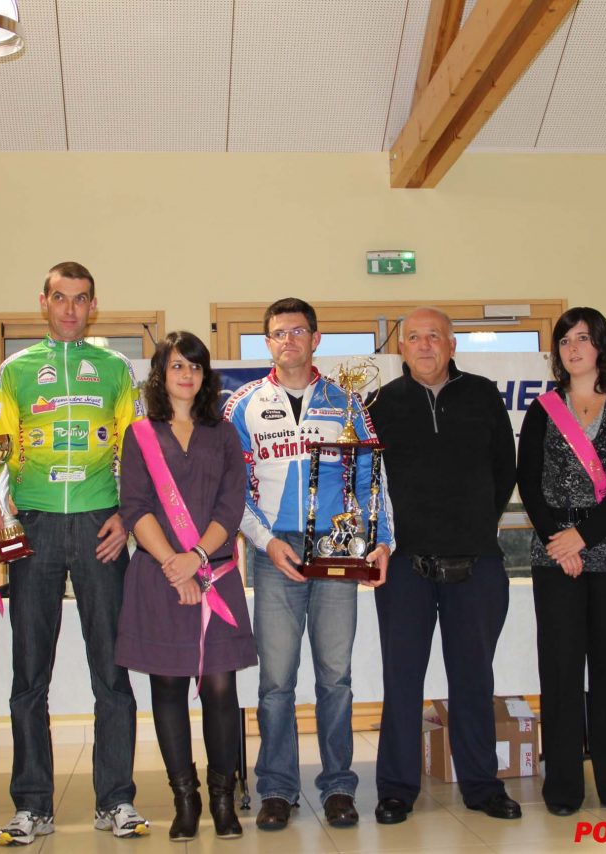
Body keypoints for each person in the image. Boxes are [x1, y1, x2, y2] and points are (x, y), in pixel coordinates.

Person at [0, 261, 147, 844]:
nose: (70, 309)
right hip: (33, 525)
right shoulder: (15, 370)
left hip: (99, 527)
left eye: (81, 299)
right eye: (61, 297)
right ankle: (33, 804)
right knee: (30, 672)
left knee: (112, 669)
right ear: (44, 301)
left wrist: (125, 517)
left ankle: (117, 800)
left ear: (93, 306)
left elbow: (137, 453)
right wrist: (9, 522)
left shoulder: (116, 369)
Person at [223, 297, 393, 830]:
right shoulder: (242, 405)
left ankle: (339, 786)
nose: (289, 340)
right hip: (275, 552)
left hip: (338, 549)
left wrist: (381, 539)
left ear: (316, 339)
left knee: (336, 677)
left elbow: (371, 480)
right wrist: (267, 542)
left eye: (298, 331)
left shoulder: (347, 404)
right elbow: (233, 492)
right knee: (275, 679)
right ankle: (276, 788)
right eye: (278, 333)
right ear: (267, 342)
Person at [367, 307, 520, 825]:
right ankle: (396, 788)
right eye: (414, 337)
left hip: (476, 563)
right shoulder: (381, 404)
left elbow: (505, 469)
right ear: (401, 349)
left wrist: (475, 525)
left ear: (452, 344)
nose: (425, 345)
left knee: (473, 678)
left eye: (435, 336)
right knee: (402, 680)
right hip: (406, 565)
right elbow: (369, 483)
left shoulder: (482, 395)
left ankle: (481, 784)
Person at [114, 331, 256, 841]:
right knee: (168, 687)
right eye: (177, 366)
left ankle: (222, 798)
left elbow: (231, 504)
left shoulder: (223, 434)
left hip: (213, 573)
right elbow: (135, 506)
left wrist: (195, 558)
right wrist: (174, 563)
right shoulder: (139, 435)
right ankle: (185, 799)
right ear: (160, 374)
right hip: (159, 577)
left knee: (221, 688)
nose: (187, 375)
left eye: (195, 366)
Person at [517, 307, 606, 816]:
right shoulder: (541, 410)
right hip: (555, 553)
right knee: (561, 669)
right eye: (565, 340)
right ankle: (564, 787)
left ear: (601, 347)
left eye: (583, 339)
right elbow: (527, 482)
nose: (573, 349)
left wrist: (584, 538)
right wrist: (560, 541)